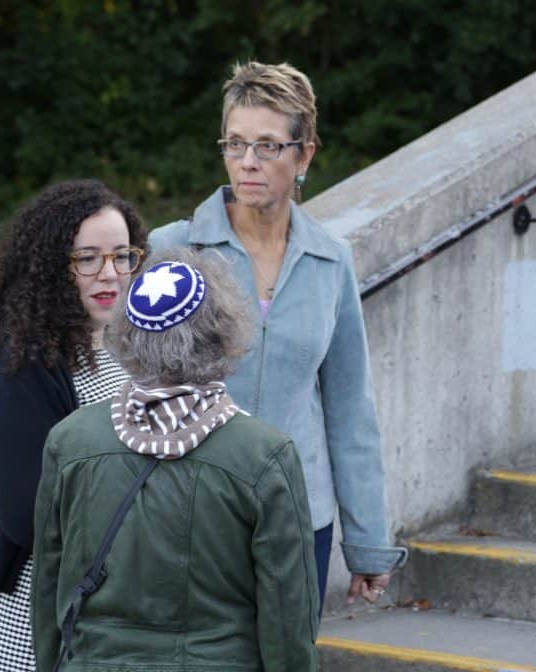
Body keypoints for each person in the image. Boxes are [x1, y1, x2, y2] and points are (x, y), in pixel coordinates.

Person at [149, 61, 405, 609]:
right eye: (235, 143)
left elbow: (349, 408)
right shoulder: (175, 251)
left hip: (298, 518)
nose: (247, 162)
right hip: (191, 516)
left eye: (267, 146)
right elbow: (134, 391)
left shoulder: (330, 262)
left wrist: (367, 541)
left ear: (304, 153)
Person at [31, 251, 319, 672]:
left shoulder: (71, 442)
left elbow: (49, 590)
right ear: (222, 332)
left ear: (128, 334)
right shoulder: (264, 455)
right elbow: (288, 614)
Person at [0, 179, 148, 671]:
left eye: (122, 255)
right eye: (87, 258)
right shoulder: (17, 363)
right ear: (50, 268)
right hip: (33, 627)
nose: (110, 274)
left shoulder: (122, 346)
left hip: (108, 617)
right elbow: (29, 515)